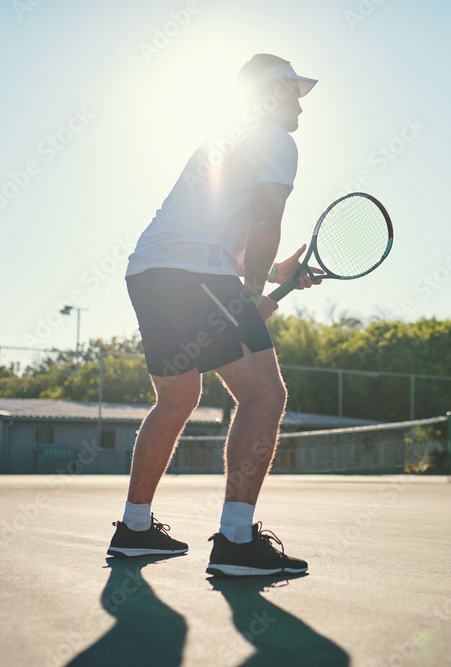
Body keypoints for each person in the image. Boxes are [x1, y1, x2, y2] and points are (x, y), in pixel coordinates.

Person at [107, 54, 321, 577]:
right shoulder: (276, 140)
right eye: (294, 91)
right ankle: (236, 542)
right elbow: (267, 221)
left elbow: (225, 235)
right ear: (273, 93)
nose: (300, 104)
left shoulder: (227, 136)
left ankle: (135, 528)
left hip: (150, 270)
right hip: (197, 273)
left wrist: (275, 273)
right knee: (263, 394)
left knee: (178, 396)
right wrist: (250, 296)